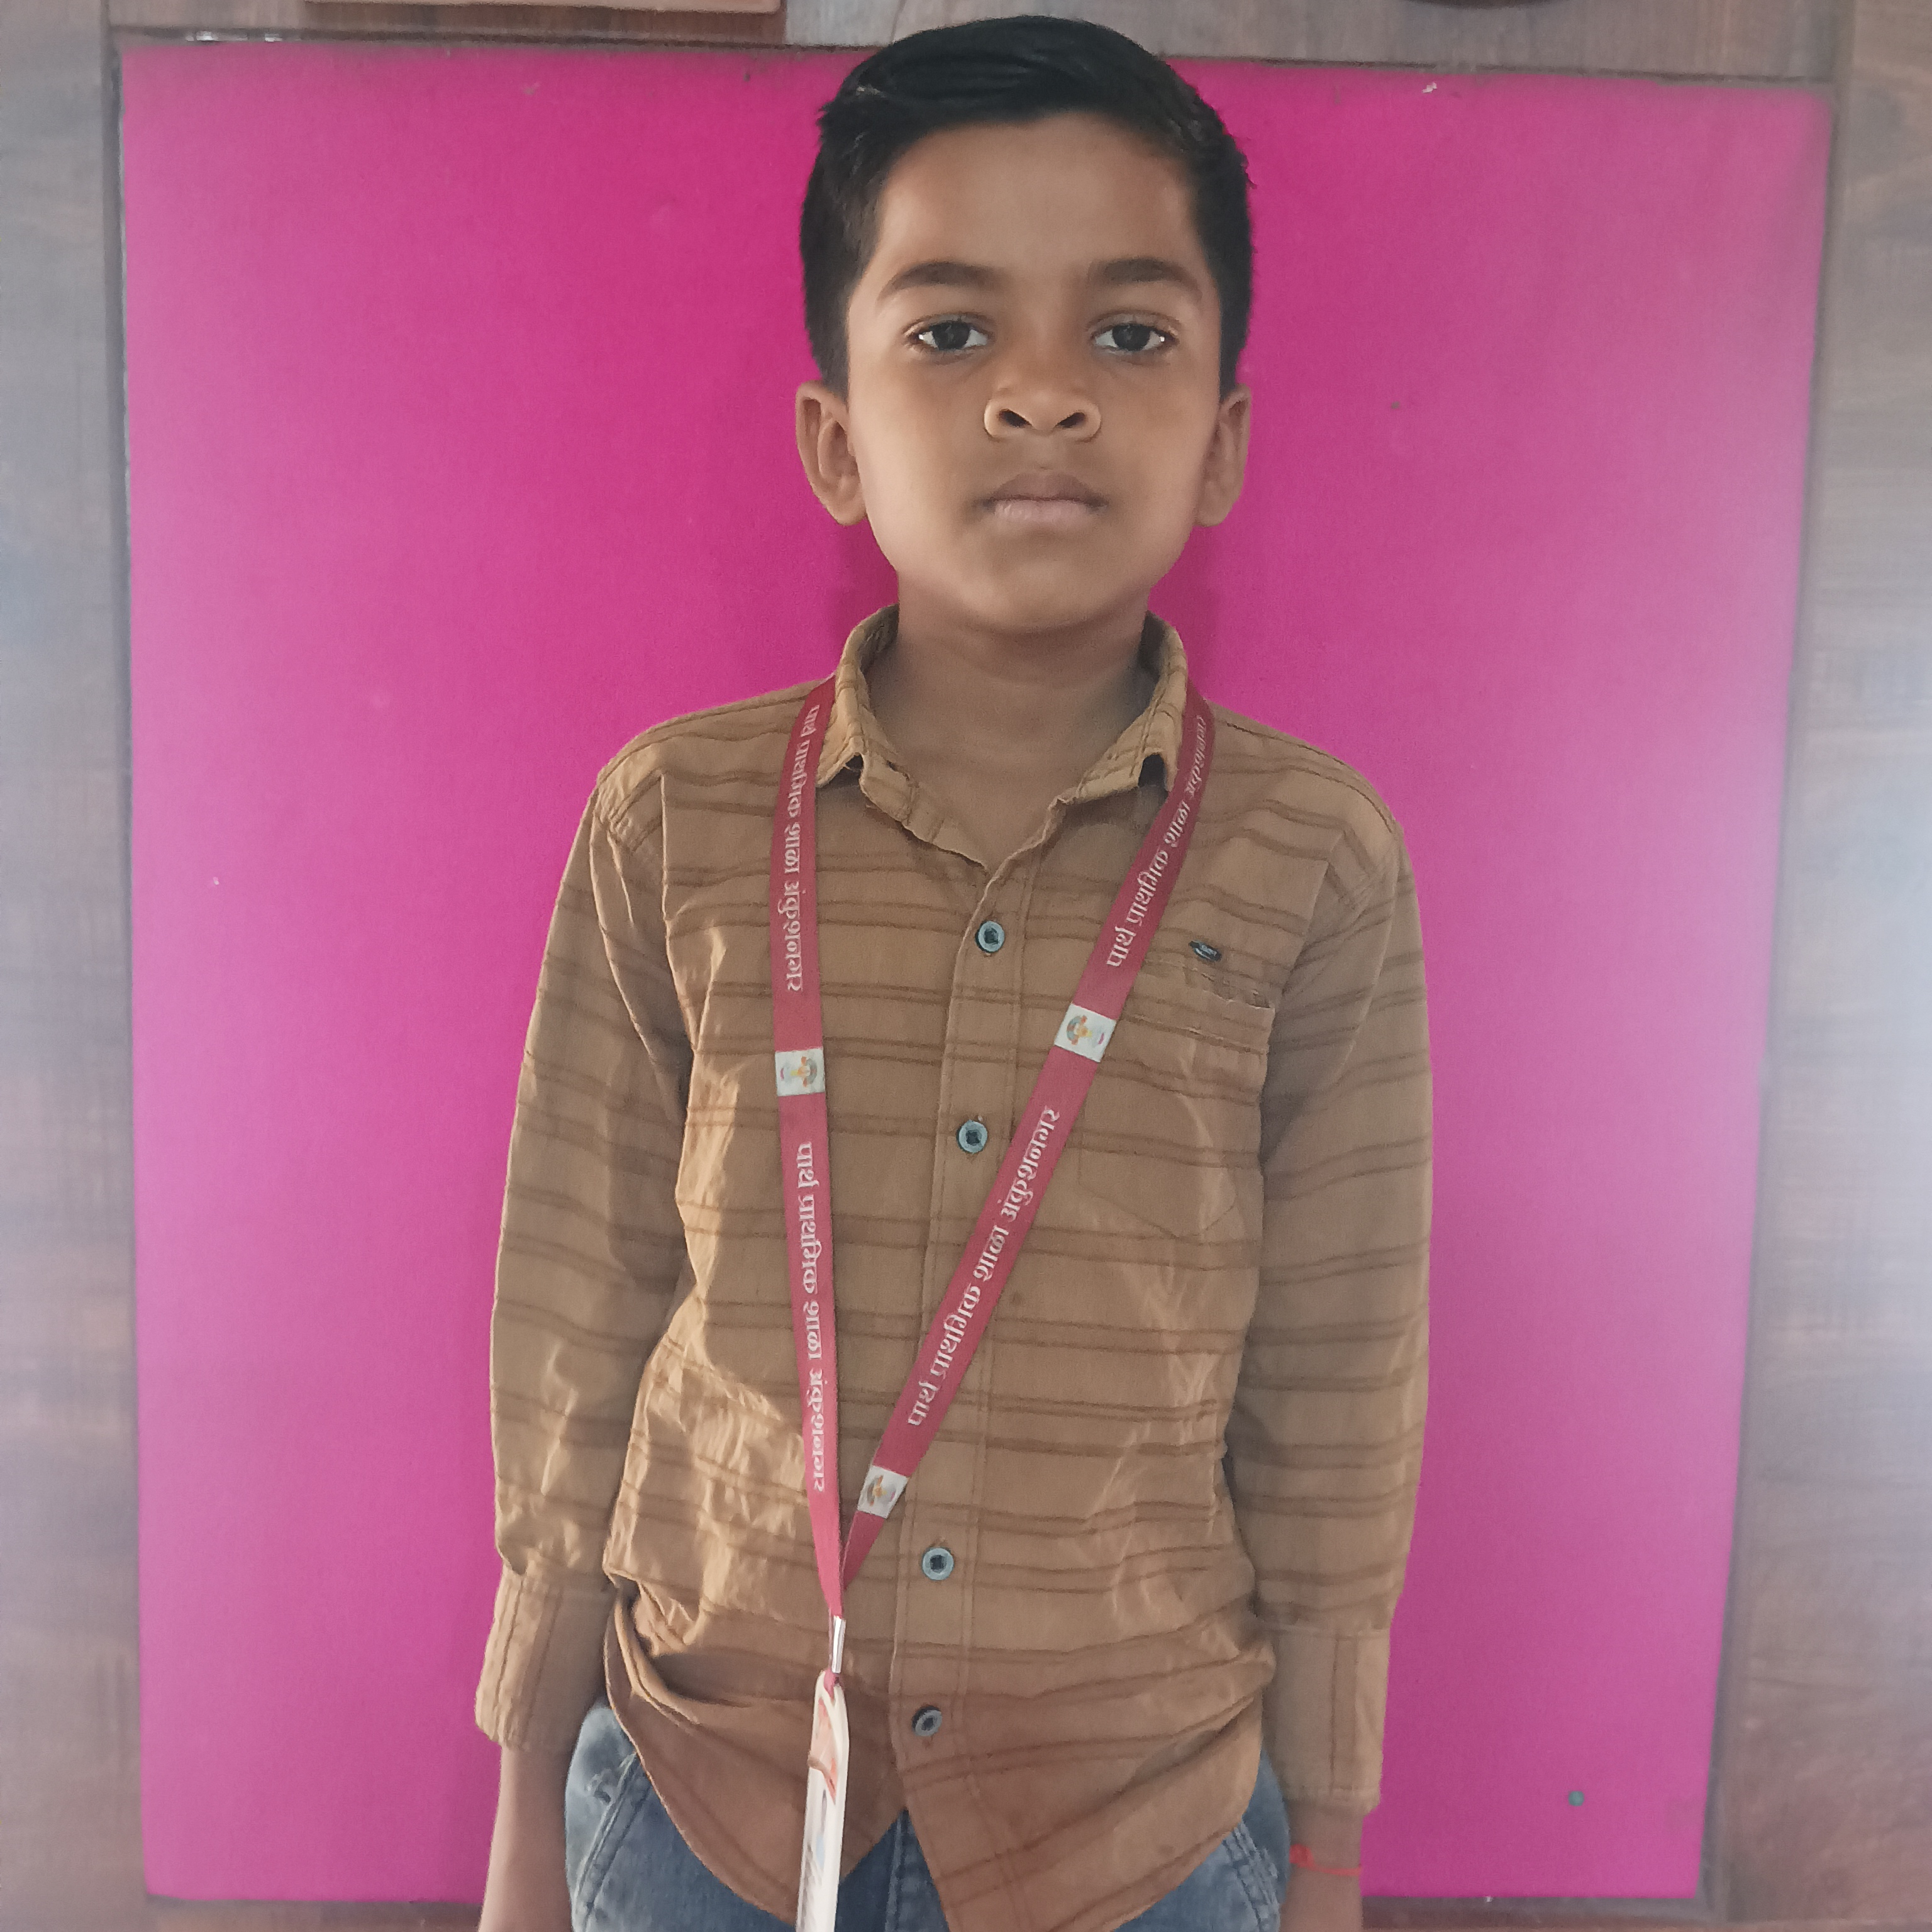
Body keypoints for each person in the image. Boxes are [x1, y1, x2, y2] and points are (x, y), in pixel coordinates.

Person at [474, 18, 1430, 1932]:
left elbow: (1336, 1400)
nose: (1043, 396)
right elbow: (578, 1333)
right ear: (837, 438)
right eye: (954, 329)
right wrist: (519, 1834)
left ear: (1225, 439)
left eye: (1130, 334)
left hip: (1139, 1832)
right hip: (703, 1803)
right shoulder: (673, 821)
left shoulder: (1315, 861)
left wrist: (1326, 1859)